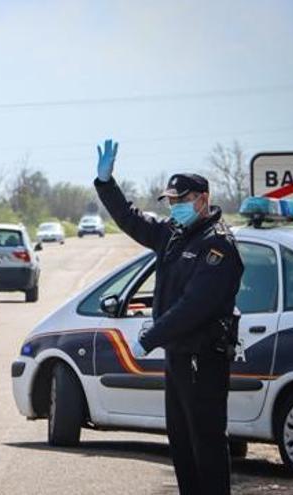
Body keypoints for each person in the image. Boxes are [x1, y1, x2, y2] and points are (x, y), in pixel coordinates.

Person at [93, 139, 244, 495]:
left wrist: (150, 336)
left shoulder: (217, 245)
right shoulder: (174, 235)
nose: (176, 207)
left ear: (203, 200)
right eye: (172, 201)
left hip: (203, 359)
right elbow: (131, 218)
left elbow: (196, 306)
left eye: (183, 200)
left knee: (205, 444)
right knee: (181, 444)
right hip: (178, 357)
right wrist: (106, 183)